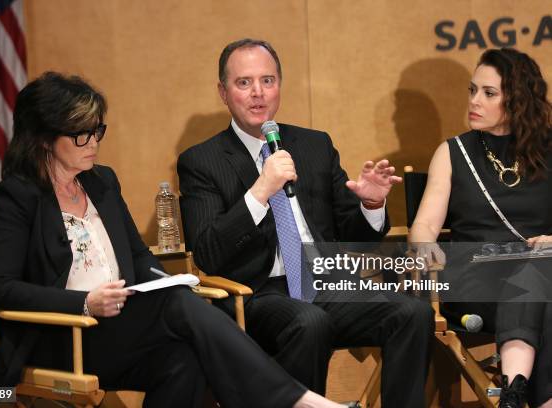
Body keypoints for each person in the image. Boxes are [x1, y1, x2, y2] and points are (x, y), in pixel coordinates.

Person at [0, 71, 348, 408]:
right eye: (81, 133)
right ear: (45, 139)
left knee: (183, 359)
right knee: (176, 306)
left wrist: (172, 282)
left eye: (97, 131)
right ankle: (299, 402)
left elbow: (141, 260)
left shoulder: (101, 182)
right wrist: (84, 303)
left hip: (122, 327)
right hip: (63, 338)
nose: (93, 142)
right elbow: (0, 287)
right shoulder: (17, 196)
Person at [178, 38, 434, 408]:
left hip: (326, 282)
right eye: (244, 83)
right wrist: (261, 190)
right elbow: (209, 252)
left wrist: (371, 203)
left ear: (280, 84)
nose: (258, 93)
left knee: (413, 313)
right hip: (256, 294)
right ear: (223, 91)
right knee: (309, 322)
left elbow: (354, 235)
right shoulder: (201, 161)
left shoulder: (314, 145)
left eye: (268, 81)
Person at [409, 48, 552, 408]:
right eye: (473, 90)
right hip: (475, 280)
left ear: (518, 100)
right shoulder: (452, 152)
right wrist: (424, 250)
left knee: (539, 273)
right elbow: (425, 224)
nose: (474, 101)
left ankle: (514, 394)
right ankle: (519, 392)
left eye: (489, 94)